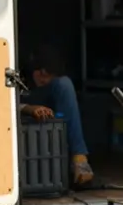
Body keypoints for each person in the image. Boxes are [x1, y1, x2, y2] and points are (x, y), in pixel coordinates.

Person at [20, 45, 94, 188]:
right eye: (40, 73)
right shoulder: (16, 74)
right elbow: (1, 103)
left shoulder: (55, 85)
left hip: (49, 118)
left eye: (47, 76)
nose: (43, 79)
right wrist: (28, 108)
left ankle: (79, 160)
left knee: (65, 86)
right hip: (22, 113)